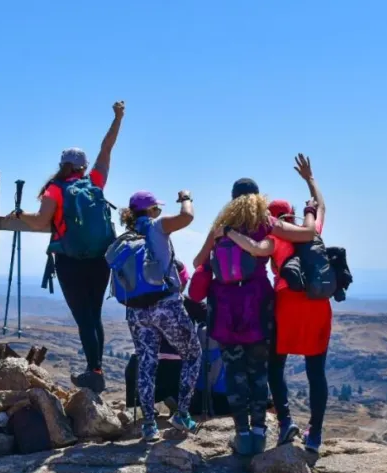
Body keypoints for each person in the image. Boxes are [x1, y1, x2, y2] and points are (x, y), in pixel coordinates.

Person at [192, 177, 316, 456]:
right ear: (258, 198)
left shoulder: (220, 227)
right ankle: (259, 434)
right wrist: (310, 209)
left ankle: (242, 435)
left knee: (234, 371)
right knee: (258, 370)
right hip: (258, 304)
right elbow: (308, 234)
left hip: (225, 306)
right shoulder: (266, 223)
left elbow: (198, 262)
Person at [12, 101, 125, 393]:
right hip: (100, 259)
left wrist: (20, 215)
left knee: (83, 317)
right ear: (83, 167)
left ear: (62, 164)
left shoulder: (55, 189)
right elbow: (107, 148)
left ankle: (94, 372)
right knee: (94, 314)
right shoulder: (95, 182)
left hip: (69, 261)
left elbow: (41, 221)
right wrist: (118, 117)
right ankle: (96, 369)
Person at [114, 190, 201, 440]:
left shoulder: (127, 237)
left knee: (146, 362)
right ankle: (182, 414)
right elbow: (187, 217)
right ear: (151, 210)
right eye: (157, 208)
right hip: (166, 305)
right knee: (192, 354)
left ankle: (149, 425)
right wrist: (186, 197)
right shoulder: (156, 226)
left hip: (136, 310)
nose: (159, 212)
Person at [266, 154, 331, 453]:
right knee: (316, 371)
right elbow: (322, 206)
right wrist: (310, 179)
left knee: (275, 366)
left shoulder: (273, 236)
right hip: (317, 305)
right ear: (292, 213)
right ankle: (314, 435)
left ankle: (285, 421)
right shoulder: (310, 231)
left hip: (287, 304)